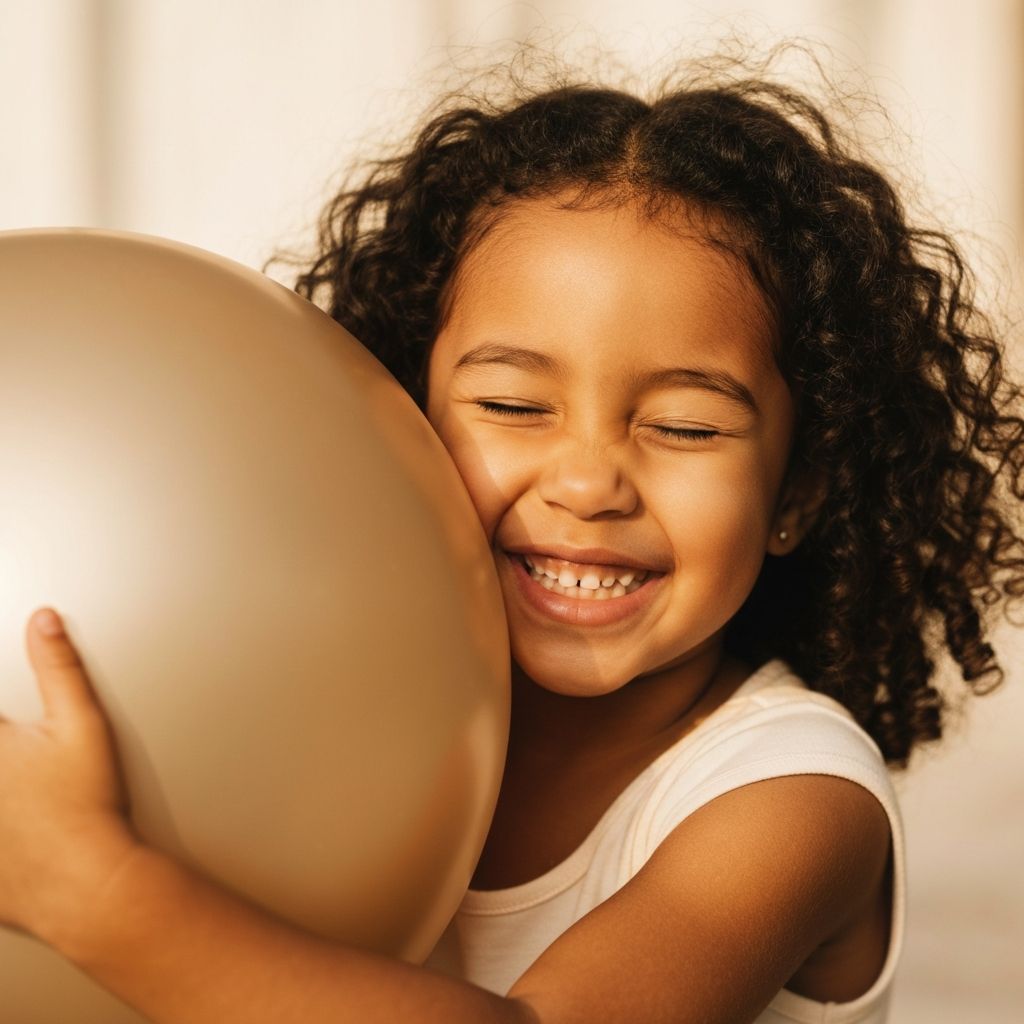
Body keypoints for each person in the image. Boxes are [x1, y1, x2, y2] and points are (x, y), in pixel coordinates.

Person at [1, 51, 1022, 1024]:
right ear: (396, 420)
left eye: (683, 427)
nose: (587, 483)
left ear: (795, 492)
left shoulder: (792, 798)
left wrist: (94, 890)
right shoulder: (329, 713)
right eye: (513, 405)